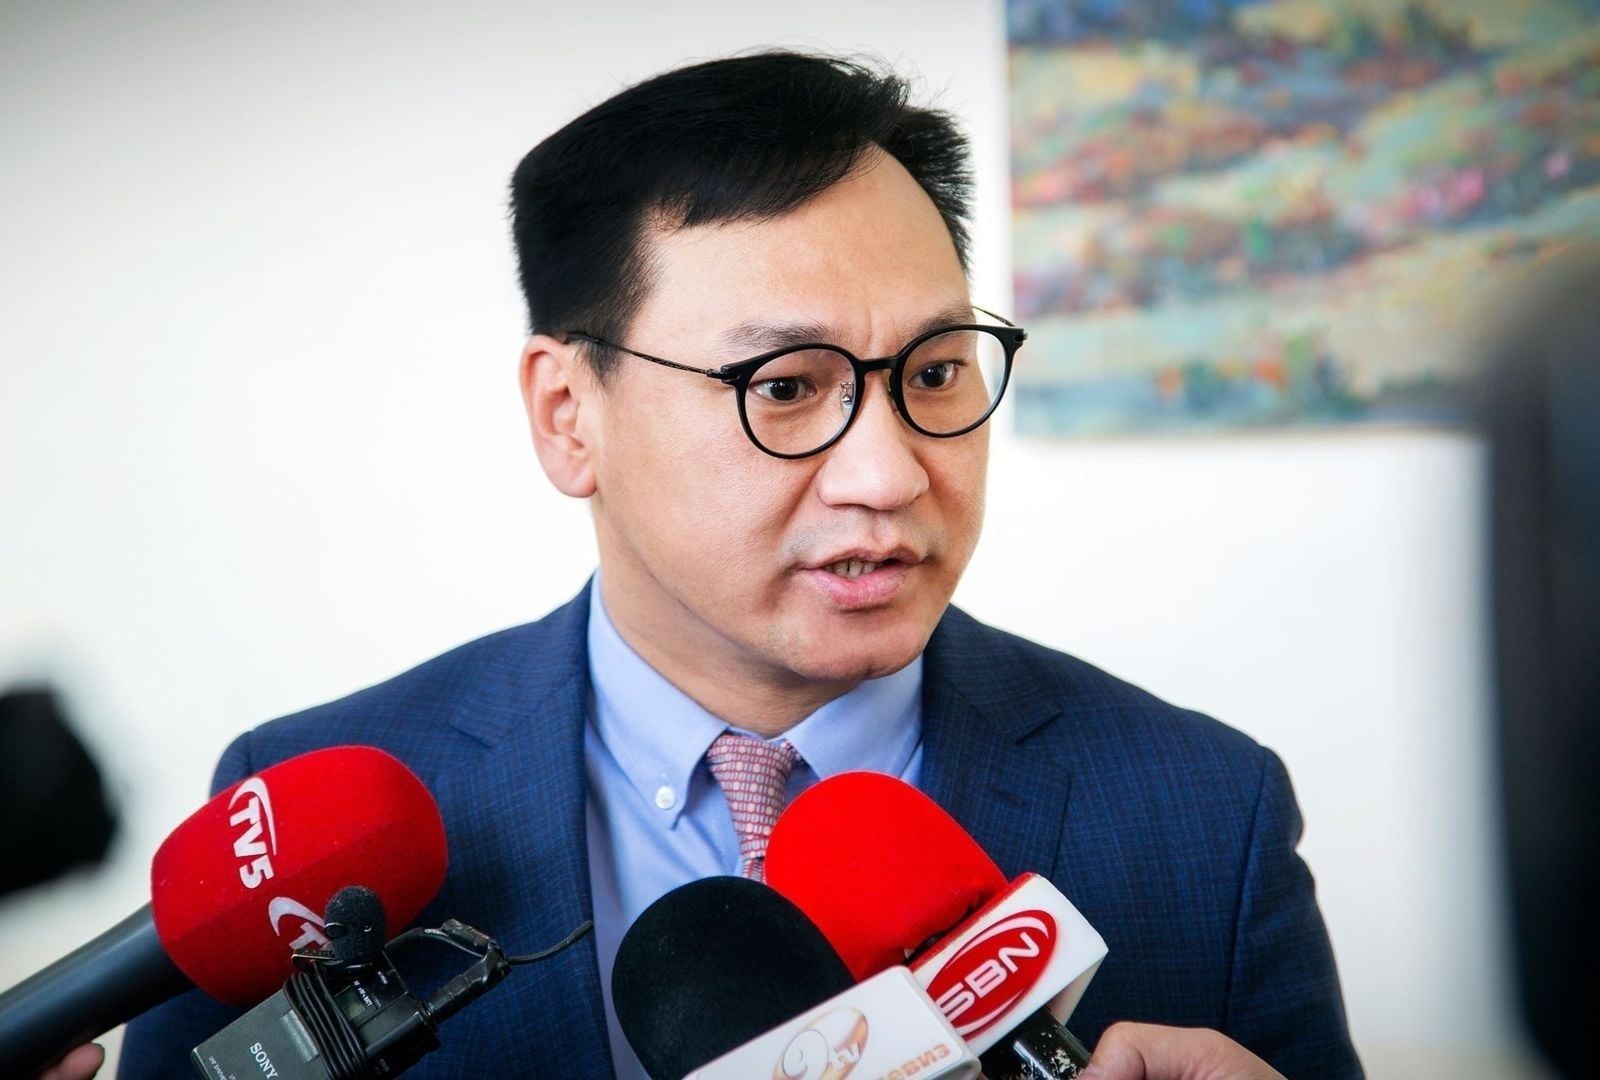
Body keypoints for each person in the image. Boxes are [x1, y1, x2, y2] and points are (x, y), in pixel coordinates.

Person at [99, 51, 1360, 1078]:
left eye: (933, 373)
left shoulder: (1208, 815)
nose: (889, 473)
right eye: (786, 386)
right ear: (568, 415)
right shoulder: (302, 828)